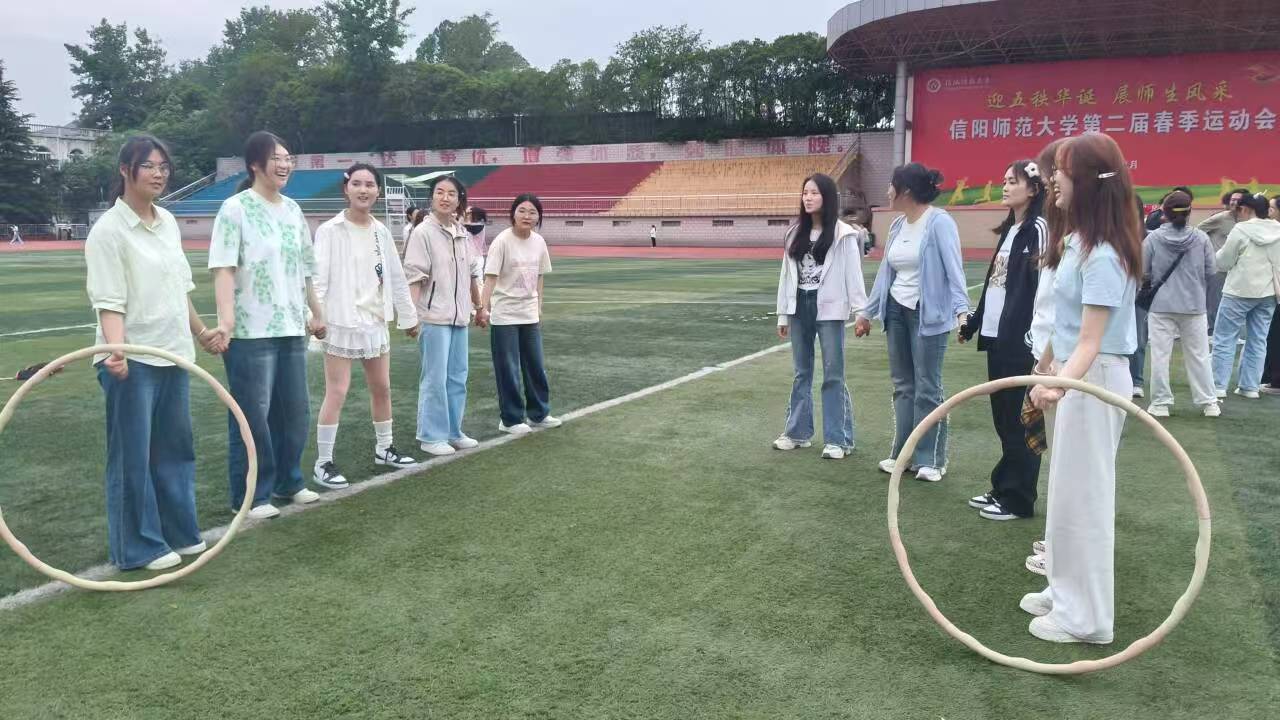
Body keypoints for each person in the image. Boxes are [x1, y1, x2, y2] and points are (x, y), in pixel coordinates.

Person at [86, 135, 227, 571]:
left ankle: (180, 533)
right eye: (148, 166)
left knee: (175, 451)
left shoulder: (166, 220)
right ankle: (138, 547)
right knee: (133, 458)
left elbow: (178, 288)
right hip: (132, 359)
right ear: (125, 170)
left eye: (164, 166)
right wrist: (117, 352)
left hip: (173, 354)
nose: (159, 174)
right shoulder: (108, 231)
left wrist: (202, 333)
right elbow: (109, 301)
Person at [1023, 132, 1140, 645]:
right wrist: (1043, 369)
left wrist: (1059, 384)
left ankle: (1087, 618)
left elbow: (1092, 341)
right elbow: (1064, 326)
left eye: (1062, 171)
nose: (1052, 179)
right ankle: (1063, 591)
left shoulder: (1105, 254)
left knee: (1085, 499)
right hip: (1075, 375)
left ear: (1089, 180)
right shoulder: (1076, 242)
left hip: (1096, 380)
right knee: (1065, 495)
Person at [208, 131, 324, 520]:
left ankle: (289, 480)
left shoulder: (293, 210)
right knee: (251, 415)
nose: (284, 164)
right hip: (249, 329)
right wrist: (226, 320)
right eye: (276, 158)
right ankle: (252, 495)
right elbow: (223, 268)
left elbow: (305, 269)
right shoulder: (235, 209)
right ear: (255, 164)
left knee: (294, 412)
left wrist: (316, 311)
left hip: (290, 325)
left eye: (288, 158)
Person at [854, 163, 969, 482]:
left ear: (905, 190)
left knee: (927, 387)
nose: (887, 192)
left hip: (926, 314)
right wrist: (866, 312)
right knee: (903, 386)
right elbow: (886, 273)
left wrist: (962, 313)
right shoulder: (897, 225)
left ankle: (931, 459)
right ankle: (902, 454)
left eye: (891, 186)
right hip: (895, 311)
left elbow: (954, 270)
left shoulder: (939, 222)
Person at [311, 163, 420, 489]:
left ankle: (384, 447)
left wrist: (408, 316)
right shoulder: (330, 230)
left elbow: (396, 277)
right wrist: (315, 316)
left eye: (369, 184)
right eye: (357, 183)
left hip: (374, 321)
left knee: (382, 387)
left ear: (378, 192)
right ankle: (323, 462)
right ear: (346, 189)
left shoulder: (380, 231)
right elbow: (318, 278)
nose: (363, 190)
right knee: (338, 390)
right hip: (340, 322)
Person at [957, 159, 1048, 520]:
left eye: (1013, 181)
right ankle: (1004, 486)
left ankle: (1019, 499)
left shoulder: (1039, 229)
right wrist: (975, 322)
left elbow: (1044, 289)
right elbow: (994, 286)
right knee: (1004, 419)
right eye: (1004, 180)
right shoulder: (1012, 230)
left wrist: (1033, 336)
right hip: (998, 339)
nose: (1005, 186)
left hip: (1021, 342)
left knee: (1020, 421)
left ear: (1034, 189)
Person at [773, 173, 869, 460]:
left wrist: (861, 311)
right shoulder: (794, 233)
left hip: (830, 307)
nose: (808, 198)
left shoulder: (843, 234)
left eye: (814, 193)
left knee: (833, 373)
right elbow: (786, 275)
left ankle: (837, 439)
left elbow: (853, 274)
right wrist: (782, 314)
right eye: (805, 193)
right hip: (800, 306)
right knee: (801, 372)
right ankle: (797, 433)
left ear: (827, 197)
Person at [403, 175, 488, 456]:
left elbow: (472, 275)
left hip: (459, 317)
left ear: (459, 200)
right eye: (440, 192)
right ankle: (431, 436)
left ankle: (453, 431)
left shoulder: (462, 233)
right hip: (434, 316)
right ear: (432, 197)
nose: (445, 198)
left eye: (452, 193)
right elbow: (414, 276)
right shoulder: (423, 233)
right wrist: (412, 314)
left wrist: (479, 307)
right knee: (435, 378)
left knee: (457, 377)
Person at [481, 194, 561, 435]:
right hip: (505, 314)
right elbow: (490, 277)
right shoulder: (502, 241)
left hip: (529, 313)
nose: (527, 216)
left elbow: (539, 276)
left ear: (539, 217)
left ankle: (539, 414)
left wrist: (539, 306)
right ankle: (510, 419)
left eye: (532, 212)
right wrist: (483, 308)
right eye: (522, 210)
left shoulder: (539, 242)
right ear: (513, 213)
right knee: (508, 368)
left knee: (535, 366)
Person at [1142, 190, 1220, 417]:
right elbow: (1211, 271)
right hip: (1194, 305)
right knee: (1199, 356)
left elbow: (1143, 271)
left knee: (1160, 356)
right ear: (1189, 212)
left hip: (1161, 305)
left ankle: (1160, 403)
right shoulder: (1201, 238)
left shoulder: (1153, 239)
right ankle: (1209, 402)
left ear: (1164, 213)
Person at [1211, 193, 1280, 399]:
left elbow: (1224, 261)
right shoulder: (1277, 229)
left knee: (1225, 338)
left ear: (1246, 209)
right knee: (1258, 340)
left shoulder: (1241, 229)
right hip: (1268, 292)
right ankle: (1250, 387)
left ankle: (1218, 385)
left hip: (1238, 290)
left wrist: (1217, 256)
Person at [1199, 188, 1251, 333]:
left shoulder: (1248, 220)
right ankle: (1213, 330)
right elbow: (1198, 231)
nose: (1234, 202)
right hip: (1218, 268)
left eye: (1238, 200)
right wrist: (1210, 250)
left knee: (1234, 301)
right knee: (1215, 300)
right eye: (1232, 199)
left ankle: (1231, 331)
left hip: (1238, 268)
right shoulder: (1220, 218)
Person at [1129, 195, 1150, 398]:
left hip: (1140, 296)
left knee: (1139, 338)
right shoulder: (1114, 237)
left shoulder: (1148, 238)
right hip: (1118, 296)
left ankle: (1136, 380)